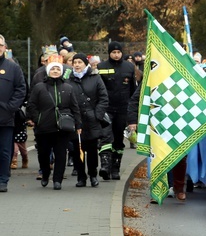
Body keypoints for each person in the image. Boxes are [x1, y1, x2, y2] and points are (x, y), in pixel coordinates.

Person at [26, 60, 82, 190]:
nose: (55, 71)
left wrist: (78, 124)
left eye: (58, 69)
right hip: (43, 127)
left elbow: (75, 107)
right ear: (48, 71)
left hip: (62, 128)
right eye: (53, 69)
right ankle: (45, 174)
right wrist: (37, 118)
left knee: (61, 154)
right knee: (43, 154)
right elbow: (31, 105)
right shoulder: (39, 87)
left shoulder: (68, 88)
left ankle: (58, 180)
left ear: (61, 72)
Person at [69, 53, 109, 187]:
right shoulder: (68, 80)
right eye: (75, 62)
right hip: (76, 120)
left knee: (92, 150)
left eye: (80, 62)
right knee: (77, 149)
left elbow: (103, 98)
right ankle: (81, 177)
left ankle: (93, 175)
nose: (77, 65)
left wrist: (97, 115)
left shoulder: (95, 78)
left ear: (85, 64)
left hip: (92, 120)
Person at [98, 41, 136, 180]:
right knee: (106, 136)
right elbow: (99, 88)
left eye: (118, 52)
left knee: (118, 139)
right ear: (109, 53)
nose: (116, 55)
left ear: (122, 53)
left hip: (122, 108)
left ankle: (115, 168)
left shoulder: (129, 67)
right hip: (106, 108)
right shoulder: (101, 66)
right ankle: (105, 167)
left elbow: (133, 90)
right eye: (113, 52)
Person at [0, 35, 27, 191]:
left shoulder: (13, 67)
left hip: (5, 117)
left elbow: (21, 89)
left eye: (0, 45)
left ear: (4, 47)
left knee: (5, 151)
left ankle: (3, 179)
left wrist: (11, 107)